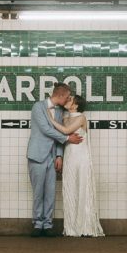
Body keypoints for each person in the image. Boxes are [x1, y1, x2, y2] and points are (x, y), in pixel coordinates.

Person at [27, 82, 83, 237]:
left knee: (50, 192)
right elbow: (46, 130)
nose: (68, 99)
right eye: (68, 97)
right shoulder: (38, 107)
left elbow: (57, 133)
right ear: (61, 95)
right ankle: (38, 225)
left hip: (52, 157)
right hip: (37, 155)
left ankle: (48, 224)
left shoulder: (59, 111)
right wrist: (67, 138)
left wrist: (59, 155)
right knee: (38, 192)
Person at [48, 93, 104, 238]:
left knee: (82, 188)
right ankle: (72, 228)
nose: (67, 100)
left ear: (76, 104)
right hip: (69, 157)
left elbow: (66, 131)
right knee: (70, 188)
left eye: (70, 99)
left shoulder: (81, 118)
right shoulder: (66, 117)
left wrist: (50, 119)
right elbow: (63, 130)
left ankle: (85, 226)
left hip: (82, 157)